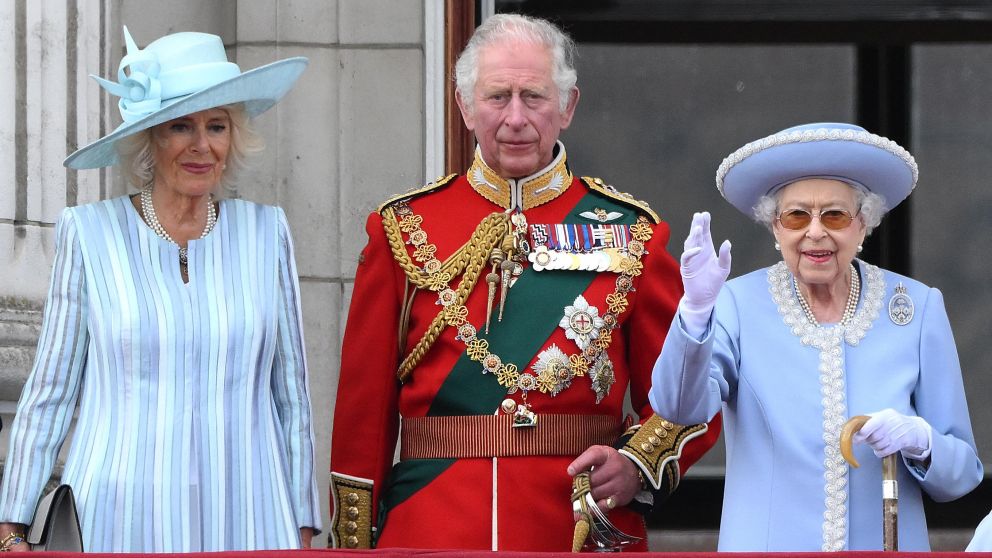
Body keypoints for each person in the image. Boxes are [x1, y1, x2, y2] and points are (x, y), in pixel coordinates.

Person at [327, 13, 719, 552]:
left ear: (567, 107)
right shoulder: (402, 227)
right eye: (497, 97)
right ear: (464, 106)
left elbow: (691, 395)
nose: (515, 118)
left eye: (533, 97)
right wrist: (353, 544)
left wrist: (635, 464)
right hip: (430, 526)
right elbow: (361, 419)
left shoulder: (632, 234)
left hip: (576, 528)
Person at [0, 28, 321, 552]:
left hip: (250, 512)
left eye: (217, 126)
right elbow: (51, 390)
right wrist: (11, 524)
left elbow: (292, 396)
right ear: (150, 138)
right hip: (117, 515)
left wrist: (303, 520)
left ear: (233, 136)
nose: (201, 145)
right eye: (180, 126)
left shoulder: (267, 234)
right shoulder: (90, 233)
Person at [650, 122, 983, 551]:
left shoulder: (916, 308)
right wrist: (695, 312)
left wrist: (922, 442)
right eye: (796, 216)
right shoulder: (736, 304)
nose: (815, 232)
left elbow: (962, 476)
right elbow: (679, 408)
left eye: (835, 215)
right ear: (775, 227)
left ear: (863, 224)